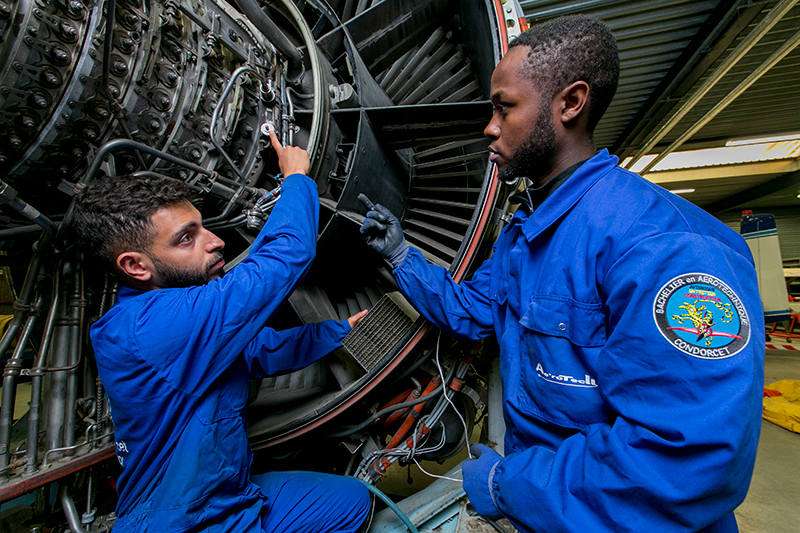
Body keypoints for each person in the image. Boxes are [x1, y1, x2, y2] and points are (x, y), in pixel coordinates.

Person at [360, 15, 763, 533]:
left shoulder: (666, 246)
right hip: (548, 512)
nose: (489, 126)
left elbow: (686, 464)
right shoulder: (524, 234)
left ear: (570, 103)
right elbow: (472, 312)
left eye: (504, 107)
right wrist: (399, 255)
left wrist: (509, 484)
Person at [72, 132, 370, 533]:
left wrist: (336, 332)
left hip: (229, 495)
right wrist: (298, 179)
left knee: (353, 504)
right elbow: (283, 257)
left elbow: (257, 352)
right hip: (180, 519)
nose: (216, 242)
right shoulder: (153, 327)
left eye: (202, 227)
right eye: (186, 238)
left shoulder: (179, 316)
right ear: (136, 266)